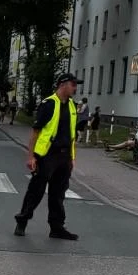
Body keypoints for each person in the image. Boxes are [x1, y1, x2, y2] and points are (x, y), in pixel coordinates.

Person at [14, 73, 81, 240]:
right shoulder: (49, 104)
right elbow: (35, 132)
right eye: (73, 84)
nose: (75, 88)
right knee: (36, 191)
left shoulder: (72, 105)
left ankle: (57, 227)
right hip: (47, 155)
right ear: (63, 84)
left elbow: (72, 135)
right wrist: (31, 157)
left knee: (58, 194)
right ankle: (22, 221)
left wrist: (72, 158)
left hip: (64, 157)